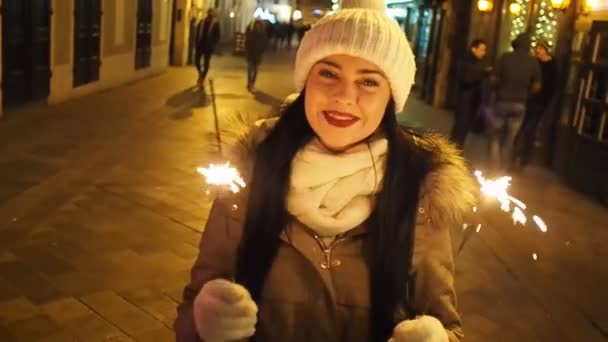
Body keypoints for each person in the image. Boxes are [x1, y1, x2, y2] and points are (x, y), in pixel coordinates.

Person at [174, 0, 477, 341]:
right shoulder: (250, 171)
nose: (344, 96)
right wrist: (206, 323)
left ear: (391, 97)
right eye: (329, 73)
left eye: (368, 82)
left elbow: (449, 326)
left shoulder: (419, 191)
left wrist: (433, 338)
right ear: (306, 80)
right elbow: (194, 303)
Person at [489, 33, 541, 172]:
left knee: (495, 136)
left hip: (502, 101)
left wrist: (498, 89)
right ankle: (502, 170)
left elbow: (493, 79)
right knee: (510, 139)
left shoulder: (505, 57)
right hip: (520, 104)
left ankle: (494, 167)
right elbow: (537, 87)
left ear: (515, 44)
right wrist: (526, 95)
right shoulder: (533, 62)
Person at [514, 40, 558, 167]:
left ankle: (524, 158)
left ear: (545, 50)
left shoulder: (552, 65)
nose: (537, 50)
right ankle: (515, 154)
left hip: (540, 102)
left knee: (530, 129)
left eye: (540, 48)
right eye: (536, 48)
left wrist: (545, 102)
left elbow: (552, 86)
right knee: (520, 127)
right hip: (527, 99)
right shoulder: (534, 62)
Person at [450, 39, 492, 149]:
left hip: (473, 101)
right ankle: (454, 150)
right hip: (464, 100)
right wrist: (483, 73)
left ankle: (458, 149)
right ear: (474, 49)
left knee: (464, 128)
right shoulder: (466, 60)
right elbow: (467, 78)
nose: (484, 53)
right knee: (460, 128)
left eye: (485, 50)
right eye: (482, 50)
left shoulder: (479, 62)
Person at [195, 8, 221, 87]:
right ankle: (200, 73)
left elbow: (217, 36)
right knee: (196, 61)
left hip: (208, 46)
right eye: (209, 13)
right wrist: (196, 42)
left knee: (206, 64)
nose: (209, 15)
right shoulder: (202, 22)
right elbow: (197, 32)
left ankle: (202, 77)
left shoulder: (215, 24)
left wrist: (213, 44)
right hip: (200, 45)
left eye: (211, 13)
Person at [245, 19, 268, 91]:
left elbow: (265, 44)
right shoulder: (251, 33)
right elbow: (247, 44)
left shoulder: (263, 35)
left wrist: (261, 51)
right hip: (251, 55)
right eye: (256, 26)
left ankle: (252, 84)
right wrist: (248, 52)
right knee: (250, 70)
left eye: (259, 26)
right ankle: (249, 84)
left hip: (257, 55)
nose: (258, 27)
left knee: (255, 71)